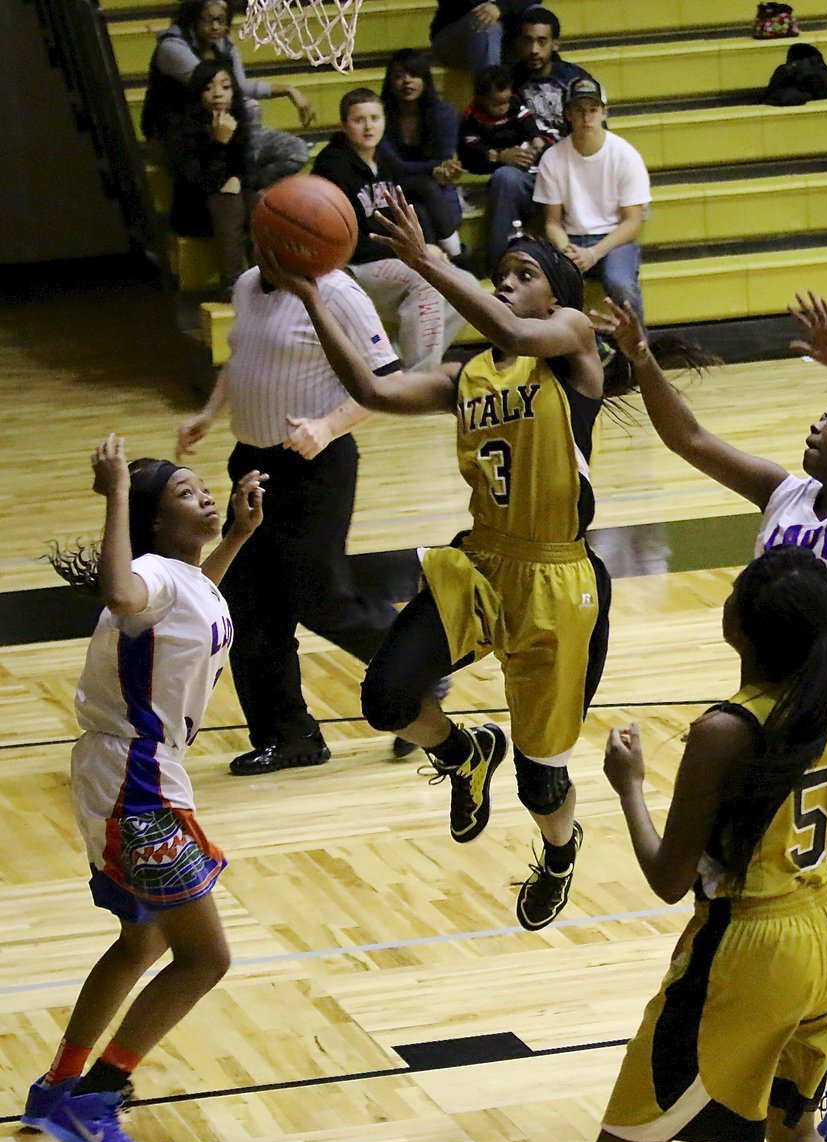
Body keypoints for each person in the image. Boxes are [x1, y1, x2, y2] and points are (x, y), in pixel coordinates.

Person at [592, 291, 827, 1142]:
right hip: (769, 715)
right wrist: (641, 357)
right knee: (783, 890)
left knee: (803, 892)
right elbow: (689, 442)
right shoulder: (785, 491)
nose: (815, 425)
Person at [258, 189, 616, 931]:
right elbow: (369, 388)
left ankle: (557, 851)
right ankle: (462, 752)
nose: (506, 283)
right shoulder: (468, 377)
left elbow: (511, 325)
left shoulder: (574, 340)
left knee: (541, 779)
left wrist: (422, 259)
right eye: (502, 272)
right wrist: (310, 298)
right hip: (480, 564)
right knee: (386, 699)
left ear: (558, 292)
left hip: (557, 576)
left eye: (523, 273)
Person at [593, 545, 827, 1142]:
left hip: (747, 953)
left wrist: (629, 788)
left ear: (737, 625)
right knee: (795, 1133)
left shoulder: (724, 730)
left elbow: (667, 879)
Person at [22, 435, 264, 1142]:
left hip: (127, 774)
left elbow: (198, 601)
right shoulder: (149, 576)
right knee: (205, 957)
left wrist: (241, 536)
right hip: (137, 783)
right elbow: (124, 591)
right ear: (158, 523)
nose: (208, 498)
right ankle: (95, 1101)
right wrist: (115, 495)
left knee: (142, 941)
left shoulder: (183, 577)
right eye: (190, 495)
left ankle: (57, 1084)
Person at [175, 256, 428, 774]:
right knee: (245, 606)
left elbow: (387, 378)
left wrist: (329, 425)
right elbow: (241, 361)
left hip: (316, 466)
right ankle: (289, 737)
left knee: (319, 596)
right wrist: (209, 412)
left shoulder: (338, 294)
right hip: (252, 463)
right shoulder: (247, 282)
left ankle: (418, 668)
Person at [312, 88, 474, 371]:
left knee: (468, 286)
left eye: (375, 118)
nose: (368, 126)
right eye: (359, 119)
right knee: (425, 280)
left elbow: (411, 202)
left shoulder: (384, 158)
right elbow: (349, 242)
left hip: (391, 257)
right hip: (353, 266)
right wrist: (414, 252)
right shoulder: (332, 167)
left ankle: (405, 362)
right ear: (343, 125)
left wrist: (424, 247)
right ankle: (419, 381)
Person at [142, 0, 313, 190]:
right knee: (250, 108)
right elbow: (211, 87)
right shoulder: (172, 47)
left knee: (296, 151)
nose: (215, 26)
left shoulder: (223, 45)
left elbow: (240, 86)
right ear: (192, 19)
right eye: (207, 20)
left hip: (223, 127)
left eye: (221, 20)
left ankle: (246, 185)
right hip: (183, 133)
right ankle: (241, 186)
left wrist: (290, 90)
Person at [481, 7, 591, 270]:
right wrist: (500, 154)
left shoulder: (576, 80)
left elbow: (596, 134)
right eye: (528, 40)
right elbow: (483, 130)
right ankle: (500, 270)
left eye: (542, 41)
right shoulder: (508, 81)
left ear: (555, 44)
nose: (534, 49)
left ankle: (568, 271)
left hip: (567, 174)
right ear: (518, 43)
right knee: (504, 178)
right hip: (527, 175)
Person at [535, 76, 650, 325]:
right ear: (568, 114)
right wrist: (568, 250)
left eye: (593, 110)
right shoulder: (553, 158)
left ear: (603, 112)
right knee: (551, 286)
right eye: (579, 110)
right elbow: (552, 223)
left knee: (620, 284)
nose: (586, 118)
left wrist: (595, 253)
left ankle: (639, 354)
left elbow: (632, 223)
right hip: (572, 238)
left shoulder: (625, 156)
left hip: (614, 238)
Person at [164, 62, 253, 290]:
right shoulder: (179, 125)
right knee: (228, 200)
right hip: (194, 207)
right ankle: (234, 282)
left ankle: (270, 277)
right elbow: (195, 179)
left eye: (225, 87)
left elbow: (245, 165)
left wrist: (237, 179)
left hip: (228, 193)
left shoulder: (237, 117)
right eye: (208, 88)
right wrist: (220, 143)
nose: (217, 94)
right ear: (196, 92)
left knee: (261, 199)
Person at [459, 64, 550, 271]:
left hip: (525, 156)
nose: (503, 108)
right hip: (494, 161)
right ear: (481, 99)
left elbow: (527, 122)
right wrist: (498, 156)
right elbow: (472, 149)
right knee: (505, 178)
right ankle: (499, 264)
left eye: (506, 102)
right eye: (496, 104)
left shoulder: (515, 104)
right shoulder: (473, 119)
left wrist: (535, 139)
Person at [379, 49, 466, 264]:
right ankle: (457, 254)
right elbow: (393, 167)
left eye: (414, 75)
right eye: (399, 76)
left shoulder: (444, 113)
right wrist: (433, 169)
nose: (407, 82)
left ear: (425, 79)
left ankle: (440, 263)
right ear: (389, 83)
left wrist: (441, 170)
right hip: (394, 189)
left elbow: (444, 163)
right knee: (423, 188)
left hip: (434, 195)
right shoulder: (380, 116)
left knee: (419, 211)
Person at [429, 0, 539, 76]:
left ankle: (546, 95)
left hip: (506, 36)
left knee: (537, 15)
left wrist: (499, 5)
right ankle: (492, 99)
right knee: (486, 22)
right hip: (455, 36)